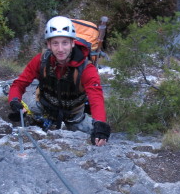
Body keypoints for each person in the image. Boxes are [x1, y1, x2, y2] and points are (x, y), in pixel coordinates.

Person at [7, 16, 111, 146]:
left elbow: (96, 96)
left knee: (99, 140)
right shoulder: (41, 61)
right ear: (49, 44)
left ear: (73, 43)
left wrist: (100, 123)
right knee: (23, 114)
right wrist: (14, 101)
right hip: (43, 107)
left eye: (65, 43)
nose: (60, 49)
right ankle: (31, 118)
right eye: (55, 43)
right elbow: (19, 84)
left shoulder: (86, 68)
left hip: (73, 115)